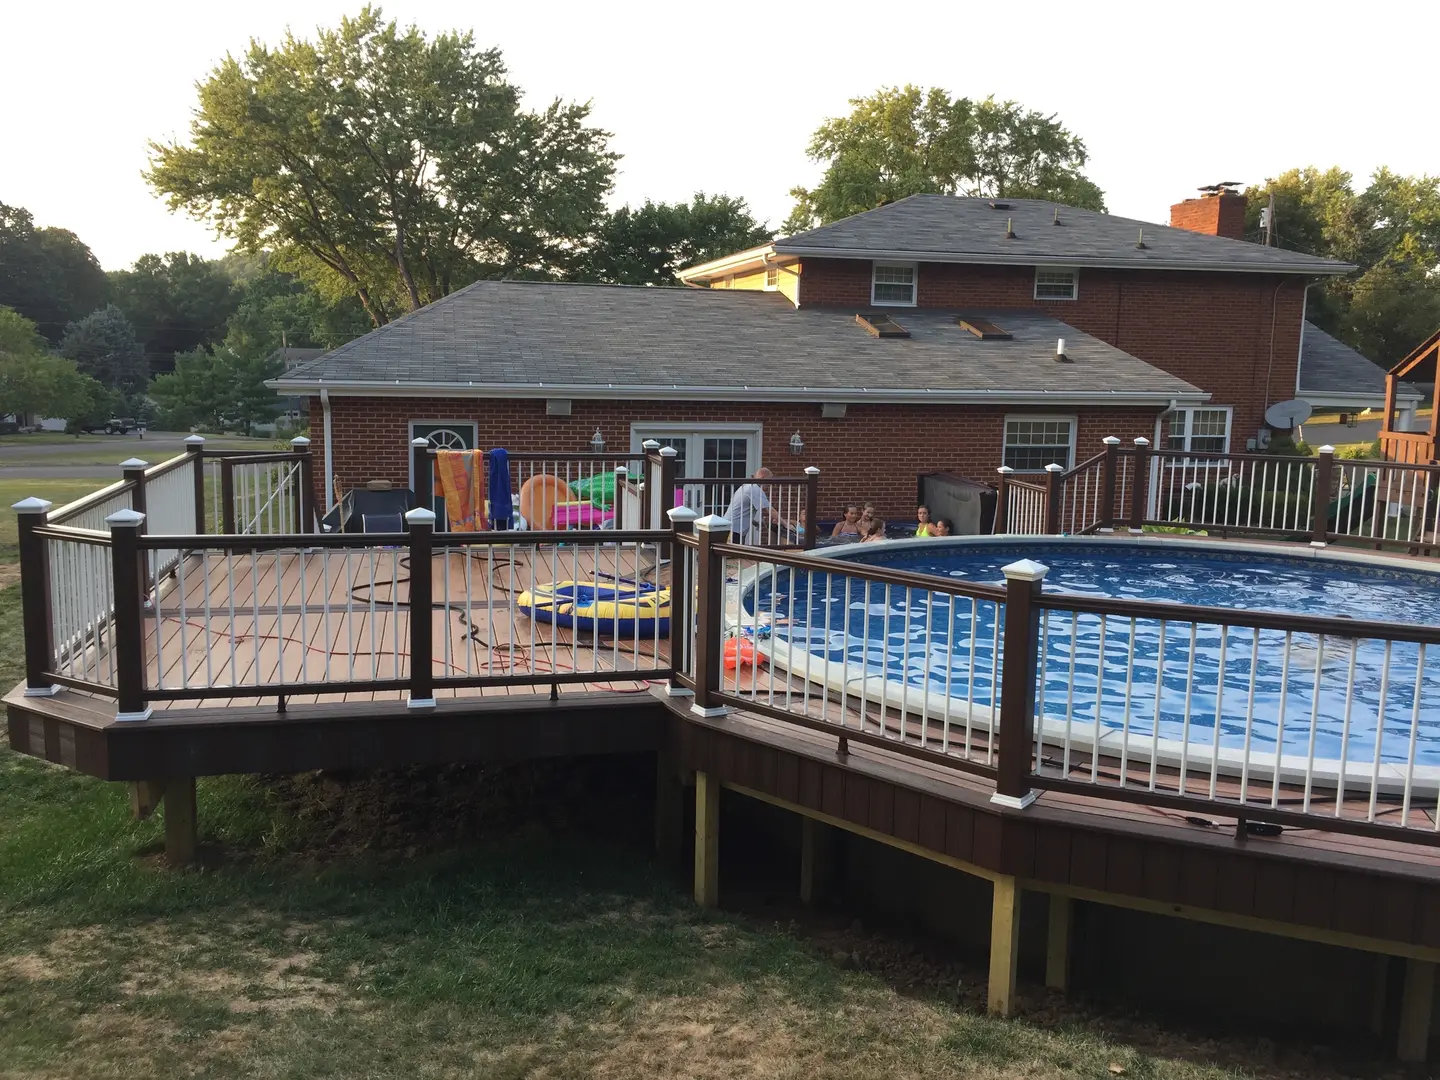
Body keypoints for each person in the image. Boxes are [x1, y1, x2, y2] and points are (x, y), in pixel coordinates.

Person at [724, 467, 791, 544]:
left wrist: (755, 522)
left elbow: (742, 510)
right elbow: (770, 510)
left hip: (731, 528)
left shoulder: (747, 486)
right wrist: (786, 525)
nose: (769, 484)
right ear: (763, 477)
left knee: (735, 554)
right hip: (734, 530)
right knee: (733, 554)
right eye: (769, 480)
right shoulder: (754, 489)